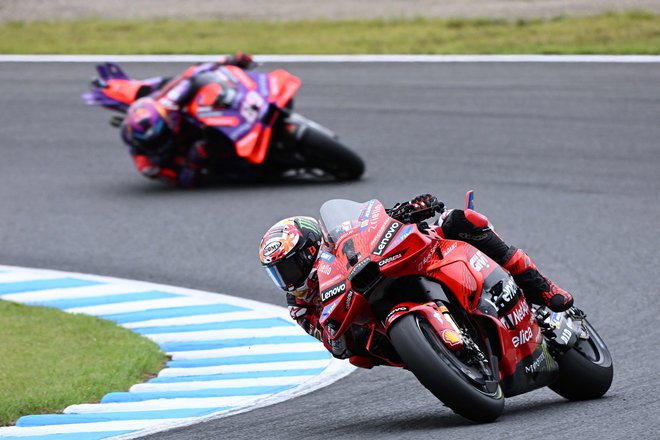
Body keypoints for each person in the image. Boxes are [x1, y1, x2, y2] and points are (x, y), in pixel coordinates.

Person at [258, 194, 574, 363]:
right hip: (377, 327)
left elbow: (370, 225)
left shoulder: (338, 239)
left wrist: (408, 210)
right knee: (358, 356)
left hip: (393, 265)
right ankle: (444, 359)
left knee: (459, 220)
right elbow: (336, 347)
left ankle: (542, 288)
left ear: (312, 249)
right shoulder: (300, 306)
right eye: (279, 273)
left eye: (289, 266)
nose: (288, 278)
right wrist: (336, 335)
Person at [119, 52, 254, 188]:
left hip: (200, 120)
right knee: (240, 173)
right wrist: (193, 161)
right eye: (154, 142)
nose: (158, 143)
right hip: (194, 154)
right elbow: (181, 181)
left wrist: (227, 61)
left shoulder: (167, 104)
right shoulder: (149, 165)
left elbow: (191, 76)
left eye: (160, 137)